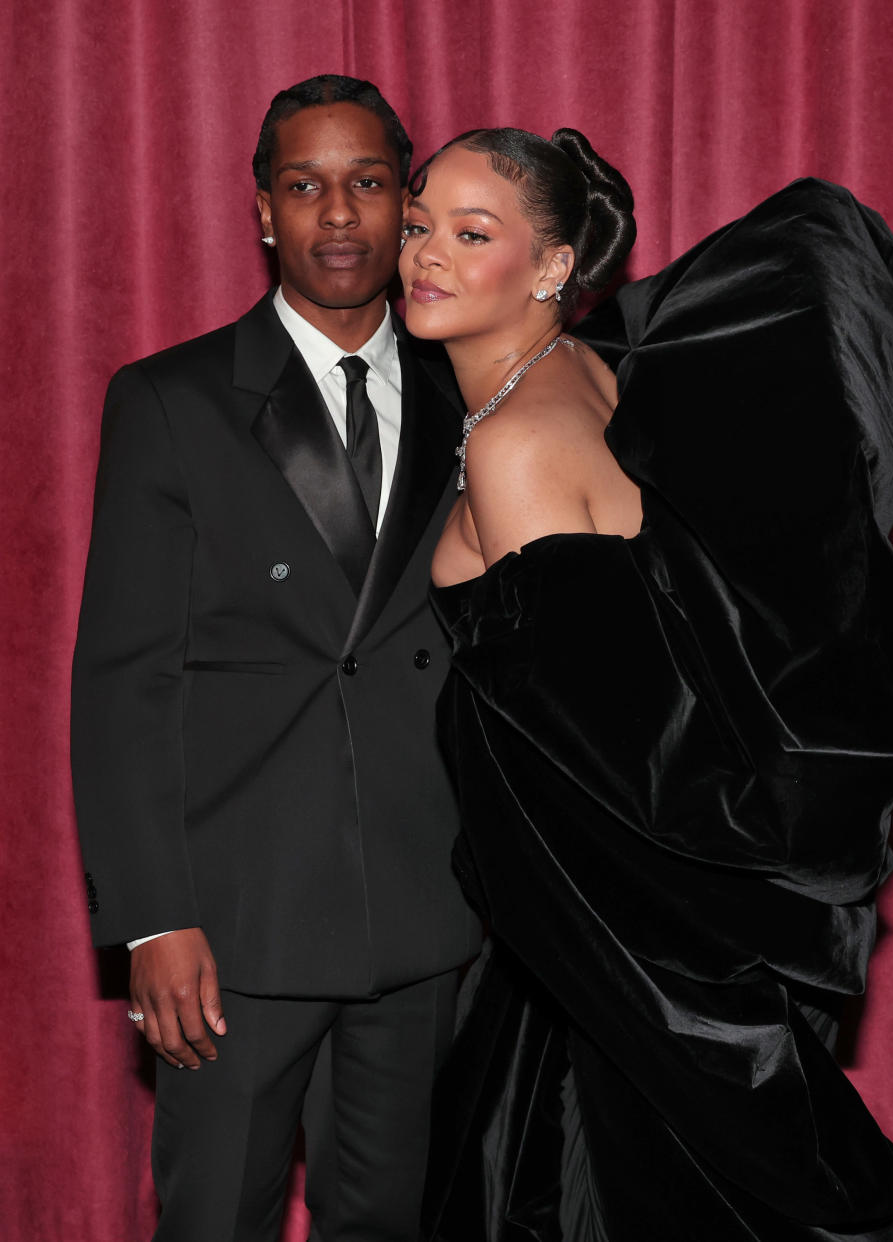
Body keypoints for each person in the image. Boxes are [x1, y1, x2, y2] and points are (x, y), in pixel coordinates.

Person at [397, 128, 893, 1239]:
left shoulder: (518, 447)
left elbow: (604, 761)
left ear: (552, 268)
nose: (426, 255)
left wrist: (661, 986)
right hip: (576, 946)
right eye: (421, 226)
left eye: (471, 233)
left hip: (616, 947)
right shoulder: (584, 372)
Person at [71, 74, 479, 1242]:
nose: (337, 216)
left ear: (407, 207)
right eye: (305, 187)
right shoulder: (171, 400)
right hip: (236, 927)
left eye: (366, 184)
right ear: (262, 210)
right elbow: (122, 680)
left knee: (396, 1221)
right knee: (215, 1221)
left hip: (427, 914)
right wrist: (153, 919)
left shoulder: (477, 395)